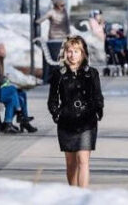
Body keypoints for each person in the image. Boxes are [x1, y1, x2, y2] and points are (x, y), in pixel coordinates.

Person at [48, 36, 104, 188]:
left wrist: (98, 109)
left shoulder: (91, 73)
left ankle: (82, 195)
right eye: (69, 51)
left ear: (83, 53)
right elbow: (52, 99)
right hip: (67, 121)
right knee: (71, 162)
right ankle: (72, 194)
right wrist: (56, 113)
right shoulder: (59, 74)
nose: (72, 55)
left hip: (87, 121)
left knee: (83, 160)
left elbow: (98, 95)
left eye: (76, 51)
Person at [36, 0, 71, 69]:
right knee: (61, 60)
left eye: (64, 5)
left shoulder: (51, 12)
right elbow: (67, 25)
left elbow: (39, 21)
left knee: (55, 59)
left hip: (54, 39)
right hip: (61, 39)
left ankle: (52, 75)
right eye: (61, 5)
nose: (63, 6)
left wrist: (36, 21)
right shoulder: (64, 12)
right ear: (57, 5)